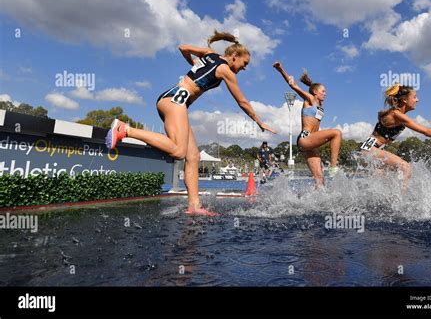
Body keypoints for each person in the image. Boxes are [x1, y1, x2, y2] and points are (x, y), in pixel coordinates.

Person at [105, 30, 276, 216]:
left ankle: (194, 206)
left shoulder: (210, 55)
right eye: (245, 63)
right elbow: (242, 102)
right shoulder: (225, 70)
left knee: (193, 156)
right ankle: (126, 129)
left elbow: (183, 48)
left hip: (172, 100)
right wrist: (259, 122)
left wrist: (194, 65)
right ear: (234, 56)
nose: (244, 68)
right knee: (178, 150)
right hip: (175, 102)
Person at [359, 83, 431, 188]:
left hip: (367, 148)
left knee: (387, 180)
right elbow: (426, 131)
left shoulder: (394, 113)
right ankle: (402, 204)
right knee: (405, 167)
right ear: (405, 100)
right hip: (369, 149)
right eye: (414, 97)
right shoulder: (396, 114)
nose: (417, 100)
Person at [273, 61, 342, 187]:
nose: (325, 94)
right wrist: (281, 69)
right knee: (336, 133)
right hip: (305, 138)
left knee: (320, 180)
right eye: (323, 91)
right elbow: (293, 85)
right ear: (315, 92)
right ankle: (333, 167)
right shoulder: (310, 99)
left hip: (311, 143)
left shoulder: (320, 107)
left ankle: (312, 204)